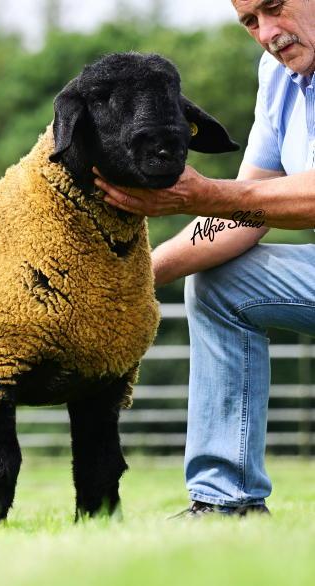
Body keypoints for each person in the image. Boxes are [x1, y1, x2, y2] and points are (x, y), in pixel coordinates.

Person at [94, 0, 315, 517]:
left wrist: (208, 194)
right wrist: (130, 277)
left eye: (275, 7)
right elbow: (248, 210)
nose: (268, 32)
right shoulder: (278, 76)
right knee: (221, 283)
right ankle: (226, 503)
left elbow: (239, 200)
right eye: (250, 22)